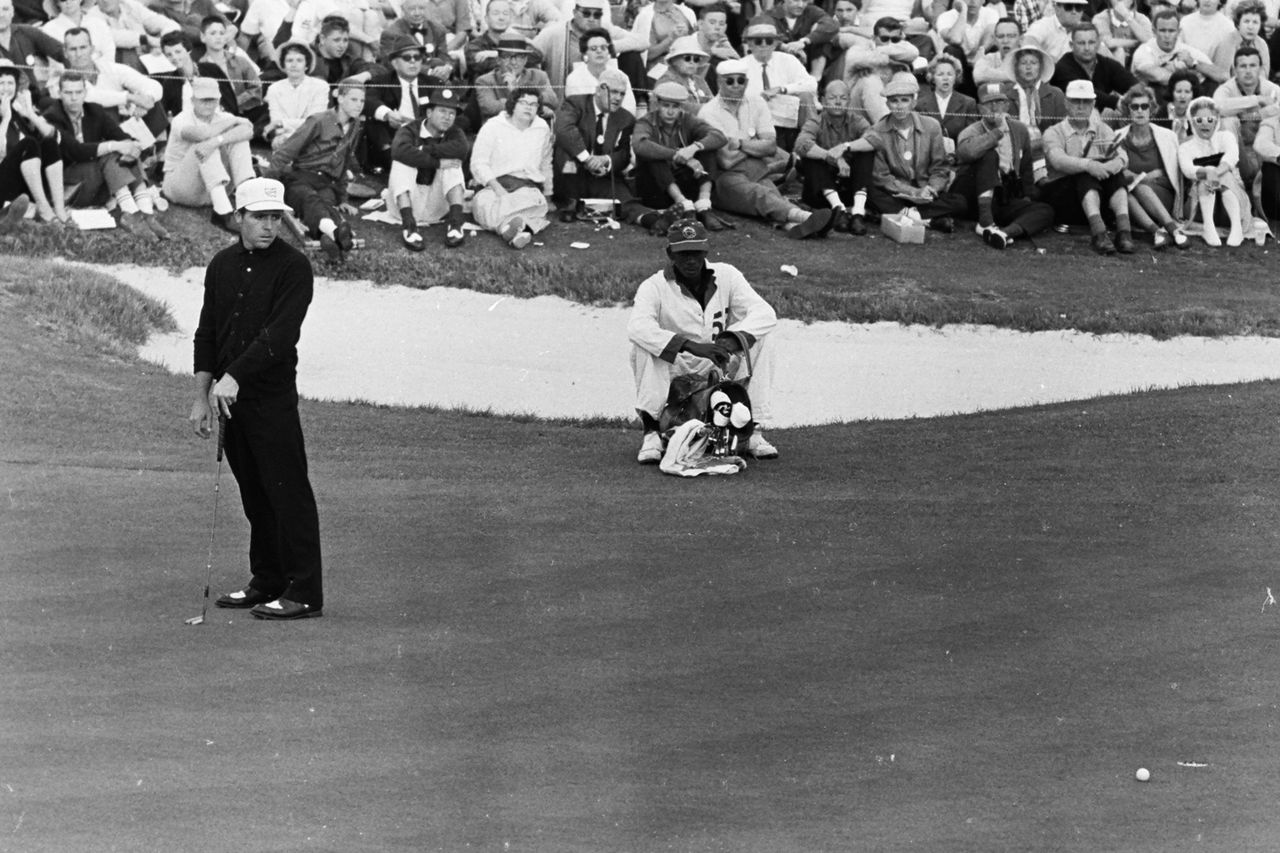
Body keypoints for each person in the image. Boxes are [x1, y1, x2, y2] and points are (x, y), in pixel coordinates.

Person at [192, 176, 325, 622]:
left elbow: (280, 335)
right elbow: (208, 332)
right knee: (254, 494)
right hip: (230, 401)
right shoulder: (222, 264)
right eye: (260, 217)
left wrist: (234, 376)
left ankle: (304, 591)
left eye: (275, 217)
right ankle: (267, 579)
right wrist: (200, 395)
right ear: (239, 218)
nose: (269, 226)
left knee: (288, 494)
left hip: (270, 399)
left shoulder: (293, 267)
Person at [627, 218, 779, 465]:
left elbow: (765, 313)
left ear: (706, 250)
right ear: (670, 253)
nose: (690, 260)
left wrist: (732, 340)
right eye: (683, 253)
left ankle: (754, 432)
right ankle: (651, 433)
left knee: (763, 337)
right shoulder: (653, 285)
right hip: (676, 367)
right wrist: (689, 345)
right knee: (642, 344)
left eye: (696, 252)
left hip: (717, 364)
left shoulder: (728, 274)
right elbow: (637, 327)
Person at [697, 58, 834, 236]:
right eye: (729, 81)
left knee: (770, 194)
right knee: (760, 194)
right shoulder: (708, 113)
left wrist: (739, 143)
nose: (736, 85)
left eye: (740, 80)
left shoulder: (757, 102)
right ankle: (806, 217)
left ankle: (792, 227)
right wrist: (755, 142)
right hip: (725, 177)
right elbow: (726, 161)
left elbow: (770, 147)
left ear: (746, 82)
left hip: (757, 169)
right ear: (719, 82)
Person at [43, 70, 168, 236]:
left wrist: (132, 145)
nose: (74, 98)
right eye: (68, 93)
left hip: (99, 182)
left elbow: (120, 136)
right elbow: (76, 151)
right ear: (59, 94)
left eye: (78, 92)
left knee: (126, 148)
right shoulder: (52, 116)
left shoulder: (94, 110)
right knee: (110, 152)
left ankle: (146, 214)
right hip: (70, 186)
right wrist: (115, 145)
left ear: (85, 93)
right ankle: (130, 213)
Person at [265, 75, 365, 262]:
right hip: (300, 177)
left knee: (327, 204)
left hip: (325, 181)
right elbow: (285, 152)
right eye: (353, 99)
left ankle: (332, 236)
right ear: (340, 98)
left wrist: (343, 197)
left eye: (362, 100)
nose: (359, 105)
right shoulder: (319, 120)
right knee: (309, 198)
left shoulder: (355, 125)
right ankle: (337, 235)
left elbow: (344, 160)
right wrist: (269, 189)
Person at [953, 81, 1055, 248]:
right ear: (979, 108)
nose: (994, 108)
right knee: (989, 155)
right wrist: (998, 131)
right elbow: (968, 153)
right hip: (974, 195)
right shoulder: (971, 130)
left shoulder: (1019, 129)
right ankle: (986, 222)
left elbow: (1026, 168)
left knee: (1044, 210)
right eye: (988, 103)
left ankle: (1004, 233)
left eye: (999, 102)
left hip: (1003, 195)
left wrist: (1027, 199)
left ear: (1007, 105)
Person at [863, 71, 968, 231]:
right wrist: (913, 192)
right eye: (894, 101)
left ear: (913, 102)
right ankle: (927, 220)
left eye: (905, 100)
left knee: (960, 201)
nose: (899, 106)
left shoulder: (931, 126)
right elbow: (882, 177)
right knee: (871, 191)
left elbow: (940, 168)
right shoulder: (877, 131)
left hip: (926, 193)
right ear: (887, 104)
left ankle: (906, 215)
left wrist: (931, 189)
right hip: (896, 193)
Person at [552, 68, 657, 226]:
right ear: (600, 89)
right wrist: (587, 159)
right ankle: (569, 203)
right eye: (614, 92)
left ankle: (649, 219)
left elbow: (624, 155)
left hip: (600, 177)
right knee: (565, 151)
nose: (618, 98)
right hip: (572, 174)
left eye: (622, 94)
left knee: (623, 198)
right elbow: (563, 130)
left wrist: (606, 161)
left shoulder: (626, 118)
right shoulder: (575, 103)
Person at [1041, 78, 1133, 254]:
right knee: (1084, 172)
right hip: (1064, 197)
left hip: (1095, 197)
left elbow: (1121, 154)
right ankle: (1099, 233)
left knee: (1115, 174)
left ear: (1093, 105)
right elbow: (1058, 161)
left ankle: (1124, 231)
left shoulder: (1102, 128)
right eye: (1076, 101)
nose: (1081, 106)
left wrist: (1112, 165)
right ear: (1066, 104)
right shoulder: (1054, 132)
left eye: (1086, 102)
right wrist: (1090, 165)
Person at [162, 76, 254, 232]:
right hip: (179, 187)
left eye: (211, 100)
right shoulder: (181, 119)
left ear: (218, 100)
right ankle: (223, 213)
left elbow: (248, 130)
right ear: (193, 100)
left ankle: (249, 202)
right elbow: (202, 135)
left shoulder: (224, 117)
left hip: (211, 190)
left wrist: (217, 141)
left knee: (238, 140)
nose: (208, 104)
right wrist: (234, 121)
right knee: (204, 145)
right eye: (203, 100)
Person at [632, 79, 727, 228]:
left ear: (681, 107)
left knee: (707, 149)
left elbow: (719, 136)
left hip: (683, 181)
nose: (670, 112)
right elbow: (639, 145)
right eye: (666, 106)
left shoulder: (687, 119)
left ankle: (704, 205)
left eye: (675, 107)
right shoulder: (646, 121)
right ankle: (683, 206)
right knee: (653, 155)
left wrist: (694, 148)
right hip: (657, 188)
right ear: (657, 105)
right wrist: (679, 156)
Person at [469, 87, 554, 248]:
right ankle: (518, 227)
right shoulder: (493, 126)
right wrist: (498, 189)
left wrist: (549, 194)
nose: (528, 107)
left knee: (534, 202)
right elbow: (478, 163)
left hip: (525, 187)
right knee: (484, 204)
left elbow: (545, 162)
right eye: (523, 102)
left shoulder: (542, 128)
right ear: (513, 105)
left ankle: (508, 228)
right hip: (492, 186)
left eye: (534, 104)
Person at [388, 86, 468, 250]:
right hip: (407, 202)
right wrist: (436, 162)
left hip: (437, 206)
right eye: (442, 111)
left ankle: (455, 224)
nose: (447, 117)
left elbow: (461, 149)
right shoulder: (410, 129)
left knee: (453, 162)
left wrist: (426, 150)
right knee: (402, 162)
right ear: (429, 113)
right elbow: (399, 150)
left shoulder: (454, 132)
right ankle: (409, 227)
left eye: (452, 113)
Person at [794, 77, 875, 233]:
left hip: (850, 187)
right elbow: (801, 144)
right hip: (822, 194)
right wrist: (833, 157)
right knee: (811, 155)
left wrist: (846, 146)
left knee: (866, 151)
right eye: (832, 98)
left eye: (843, 98)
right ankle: (840, 210)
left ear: (849, 101)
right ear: (823, 100)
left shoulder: (857, 121)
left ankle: (858, 213)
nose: (838, 102)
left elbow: (874, 139)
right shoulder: (815, 121)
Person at [1114, 82, 1187, 247]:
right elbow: (1120, 172)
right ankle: (1161, 232)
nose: (1140, 111)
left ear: (1151, 109)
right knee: (1127, 192)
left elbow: (1174, 173)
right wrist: (1143, 177)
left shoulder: (1167, 136)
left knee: (1138, 187)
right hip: (1132, 197)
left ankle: (1169, 228)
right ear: (1128, 110)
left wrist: (1147, 177)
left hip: (1163, 195)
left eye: (1144, 106)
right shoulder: (1118, 137)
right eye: (1135, 107)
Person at [1179, 94, 1250, 245]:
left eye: (1210, 120)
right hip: (1199, 208)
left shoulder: (1226, 137)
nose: (1205, 124)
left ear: (1216, 120)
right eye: (1199, 120)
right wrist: (1207, 172)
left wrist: (1214, 172)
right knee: (1207, 172)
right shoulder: (1186, 147)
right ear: (1192, 122)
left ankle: (1236, 227)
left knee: (1223, 173)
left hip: (1231, 203)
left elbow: (1231, 158)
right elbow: (1187, 169)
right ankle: (1208, 228)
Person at [739, 18, 817, 150]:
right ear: (750, 44)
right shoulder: (741, 66)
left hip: (789, 118)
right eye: (758, 41)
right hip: (759, 122)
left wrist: (782, 89)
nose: (764, 45)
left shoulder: (787, 60)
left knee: (806, 96)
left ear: (775, 44)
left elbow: (811, 84)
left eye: (769, 41)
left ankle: (809, 144)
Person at [1001, 43, 1065, 175]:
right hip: (1015, 152)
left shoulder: (1055, 94)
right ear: (1016, 67)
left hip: (1048, 153)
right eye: (1024, 63)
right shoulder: (1006, 95)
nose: (1028, 67)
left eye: (1034, 63)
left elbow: (1061, 129)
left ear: (1040, 67)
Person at [1131, 8, 1222, 99]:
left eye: (1171, 31)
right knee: (1157, 87)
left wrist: (1193, 63)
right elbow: (1158, 76)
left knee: (1211, 82)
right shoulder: (1145, 50)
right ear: (1154, 32)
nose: (1167, 36)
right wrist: (1186, 75)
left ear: (1178, 32)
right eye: (1162, 30)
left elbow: (1221, 75)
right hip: (1150, 98)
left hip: (1183, 93)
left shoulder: (1185, 50)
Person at [1050, 23, 1137, 115]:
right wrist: (1116, 102)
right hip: (1072, 120)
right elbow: (1084, 92)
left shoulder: (1106, 63)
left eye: (1091, 42)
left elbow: (1132, 83)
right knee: (1109, 113)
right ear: (1072, 45)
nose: (1087, 48)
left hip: (1101, 120)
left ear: (1098, 44)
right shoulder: (1062, 67)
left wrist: (1137, 96)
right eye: (1081, 43)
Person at [474, 33, 557, 122]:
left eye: (519, 57)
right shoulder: (485, 81)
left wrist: (516, 90)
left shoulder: (539, 76)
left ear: (525, 60)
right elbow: (490, 108)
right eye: (507, 56)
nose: (513, 62)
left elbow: (552, 100)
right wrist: (534, 104)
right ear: (498, 60)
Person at [262, 39, 328, 148]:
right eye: (289, 60)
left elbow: (315, 122)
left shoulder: (320, 86)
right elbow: (275, 121)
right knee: (279, 142)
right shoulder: (274, 89)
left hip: (312, 138)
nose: (294, 65)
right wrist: (282, 127)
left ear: (307, 65)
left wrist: (283, 124)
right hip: (283, 138)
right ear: (283, 65)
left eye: (299, 60)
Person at [564, 27, 637, 113]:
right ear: (585, 53)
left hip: (618, 123)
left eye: (603, 48)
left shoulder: (621, 76)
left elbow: (630, 109)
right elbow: (576, 112)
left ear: (608, 52)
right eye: (593, 48)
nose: (599, 51)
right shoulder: (574, 78)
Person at [915, 53, 977, 144]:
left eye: (950, 74)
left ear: (956, 77)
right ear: (932, 78)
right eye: (940, 74)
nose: (945, 78)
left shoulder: (968, 103)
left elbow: (971, 138)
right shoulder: (920, 104)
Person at [764, 0, 838, 75]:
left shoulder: (811, 11)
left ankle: (816, 79)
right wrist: (786, 47)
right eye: (796, 0)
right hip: (781, 65)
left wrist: (805, 41)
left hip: (809, 62)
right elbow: (763, 37)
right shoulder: (770, 15)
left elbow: (831, 25)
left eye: (805, 1)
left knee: (822, 36)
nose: (801, 5)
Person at [1212, 1, 1268, 79]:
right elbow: (1223, 78)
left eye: (1255, 22)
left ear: (1260, 25)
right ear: (1238, 24)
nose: (1250, 27)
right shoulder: (1227, 43)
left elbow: (1264, 76)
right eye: (1246, 21)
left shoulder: (1262, 44)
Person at [1091, 0, 1151, 67]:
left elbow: (1149, 41)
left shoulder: (1142, 18)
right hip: (1109, 61)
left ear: (1132, 1)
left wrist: (1126, 16)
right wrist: (1136, 42)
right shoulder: (1100, 18)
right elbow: (1107, 42)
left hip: (1136, 63)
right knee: (1118, 51)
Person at [971, 16, 1020, 85]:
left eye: (1011, 36)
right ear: (995, 40)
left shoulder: (1030, 59)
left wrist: (993, 74)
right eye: (1000, 36)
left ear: (1021, 39)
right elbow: (978, 75)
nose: (1005, 41)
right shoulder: (988, 58)